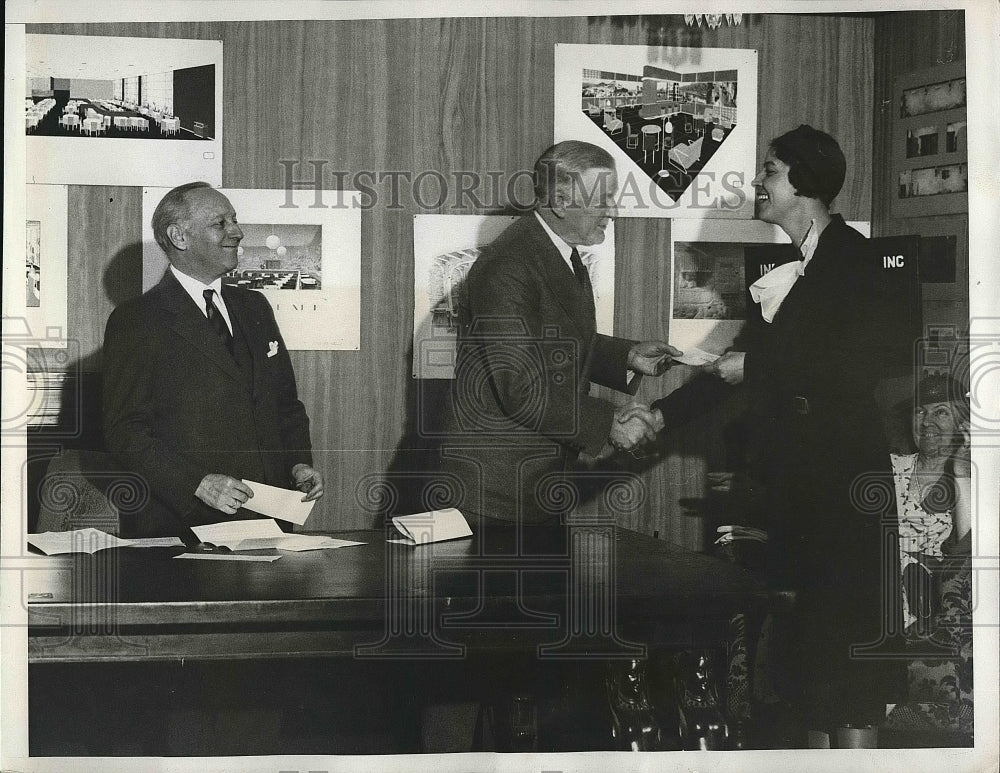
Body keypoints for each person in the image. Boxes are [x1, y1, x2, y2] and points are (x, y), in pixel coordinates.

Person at [697, 125, 904, 745]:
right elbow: (737, 364)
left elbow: (860, 367)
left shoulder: (853, 259)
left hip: (844, 488)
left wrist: (755, 368)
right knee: (811, 664)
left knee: (847, 668)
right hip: (805, 489)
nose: (758, 183)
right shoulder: (795, 271)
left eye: (769, 171)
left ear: (804, 185)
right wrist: (657, 415)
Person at [440, 140, 677, 525]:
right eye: (603, 199)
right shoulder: (510, 264)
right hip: (495, 491)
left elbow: (550, 340)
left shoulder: (554, 251)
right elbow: (519, 384)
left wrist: (626, 357)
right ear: (561, 201)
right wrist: (607, 424)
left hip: (531, 479)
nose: (612, 211)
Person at [102, 182, 323, 538]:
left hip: (271, 521)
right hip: (185, 526)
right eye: (220, 223)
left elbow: (285, 405)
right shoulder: (138, 320)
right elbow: (125, 432)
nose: (237, 232)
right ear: (179, 237)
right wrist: (198, 484)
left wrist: (298, 463)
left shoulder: (255, 308)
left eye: (233, 220)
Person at [891, 374, 972, 631]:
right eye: (920, 412)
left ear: (962, 424)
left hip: (935, 618)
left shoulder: (969, 481)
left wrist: (961, 471)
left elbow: (968, 553)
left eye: (940, 412)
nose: (927, 421)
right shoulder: (889, 468)